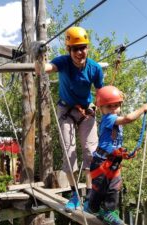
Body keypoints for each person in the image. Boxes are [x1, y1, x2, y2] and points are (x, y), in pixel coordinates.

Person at [35, 26, 104, 212]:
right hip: (66, 110)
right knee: (69, 152)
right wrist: (39, 57)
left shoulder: (95, 69)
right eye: (75, 49)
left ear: (87, 48)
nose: (79, 52)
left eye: (83, 47)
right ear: (69, 50)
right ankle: (74, 194)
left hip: (86, 111)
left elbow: (100, 94)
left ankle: (89, 195)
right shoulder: (63, 62)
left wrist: (99, 107)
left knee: (91, 152)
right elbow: (43, 70)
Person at [84, 86, 147, 225]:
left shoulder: (114, 117)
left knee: (114, 188)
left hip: (113, 162)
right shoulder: (108, 119)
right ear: (102, 108)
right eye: (109, 106)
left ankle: (109, 212)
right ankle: (92, 207)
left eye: (116, 105)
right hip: (101, 163)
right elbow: (128, 118)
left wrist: (120, 95)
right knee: (99, 190)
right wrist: (142, 108)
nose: (113, 109)